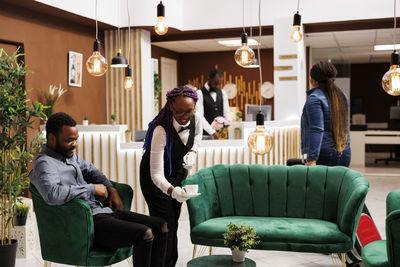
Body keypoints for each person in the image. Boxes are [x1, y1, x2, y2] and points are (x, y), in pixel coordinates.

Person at [30, 112, 168, 267]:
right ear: (51, 139)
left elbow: (92, 171)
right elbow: (52, 194)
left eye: (76, 140)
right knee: (145, 234)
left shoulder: (70, 156)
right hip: (86, 224)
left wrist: (111, 189)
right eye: (69, 140)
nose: (74, 144)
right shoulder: (45, 164)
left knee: (160, 226)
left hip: (103, 212)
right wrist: (91, 189)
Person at [140, 86, 203, 267]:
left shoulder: (196, 118)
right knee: (164, 226)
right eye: (179, 111)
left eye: (189, 111)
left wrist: (193, 151)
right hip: (155, 181)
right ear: (170, 108)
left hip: (177, 174)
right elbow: (156, 174)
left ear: (194, 108)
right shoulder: (161, 131)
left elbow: (197, 136)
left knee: (173, 222)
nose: (184, 116)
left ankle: (170, 263)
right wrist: (171, 190)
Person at [301, 61, 351, 167]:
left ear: (313, 80)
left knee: (319, 184)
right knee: (338, 184)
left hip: (323, 154)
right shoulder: (342, 96)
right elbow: (345, 127)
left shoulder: (314, 99)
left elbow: (316, 130)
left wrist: (312, 159)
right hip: (345, 152)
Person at [195, 69, 231, 138]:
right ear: (209, 79)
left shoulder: (223, 93)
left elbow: (227, 112)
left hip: (221, 135)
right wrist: (212, 132)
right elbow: (200, 117)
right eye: (215, 84)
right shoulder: (199, 94)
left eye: (219, 84)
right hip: (204, 135)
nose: (218, 86)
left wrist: (227, 126)